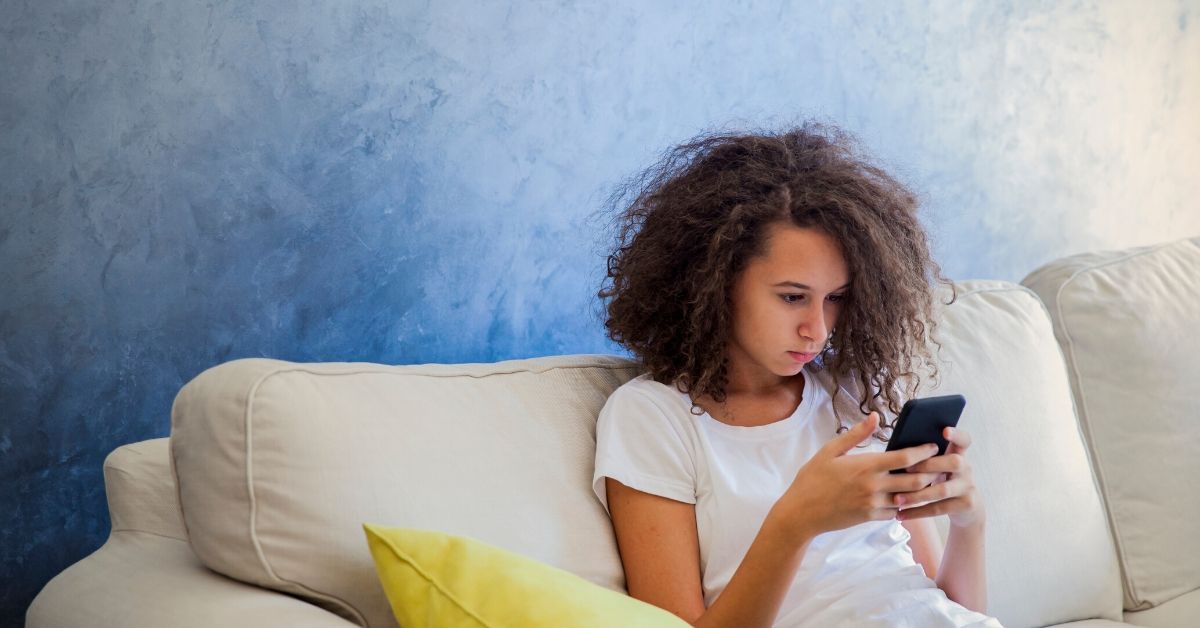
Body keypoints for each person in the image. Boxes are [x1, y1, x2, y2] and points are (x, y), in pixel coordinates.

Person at [591, 122, 1002, 627]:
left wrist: (968, 521)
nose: (818, 330)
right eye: (792, 297)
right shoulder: (652, 417)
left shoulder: (850, 396)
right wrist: (796, 520)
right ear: (715, 282)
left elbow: (950, 610)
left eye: (835, 299)